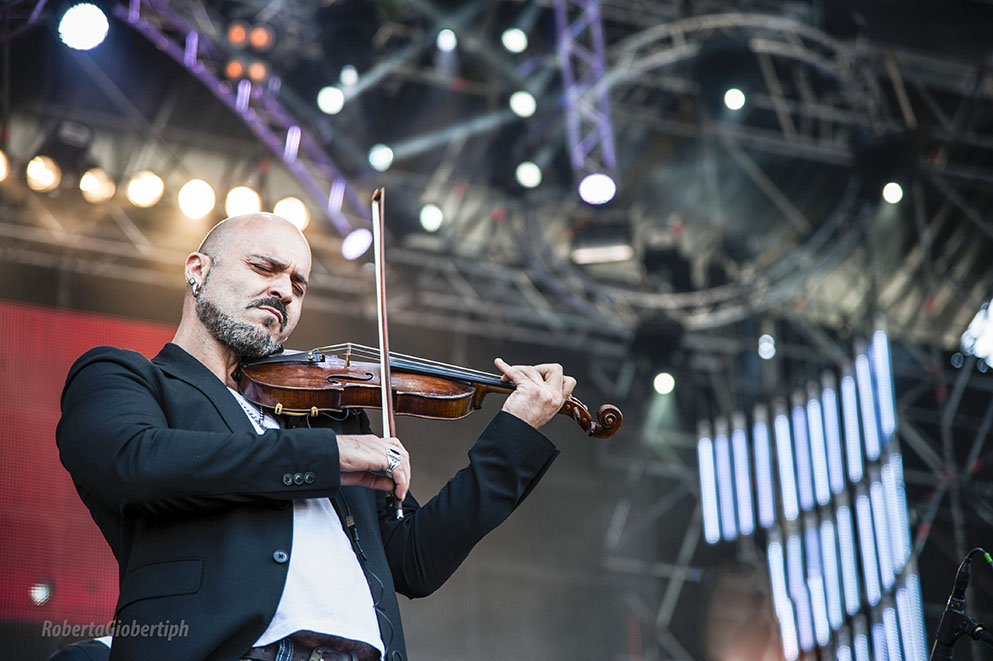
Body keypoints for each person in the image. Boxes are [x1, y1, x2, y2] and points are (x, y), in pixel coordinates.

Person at [56, 213, 575, 661]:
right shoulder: (126, 376)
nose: (284, 290)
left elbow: (416, 562)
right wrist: (327, 456)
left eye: (298, 285)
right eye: (264, 268)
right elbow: (133, 461)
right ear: (199, 271)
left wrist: (515, 432)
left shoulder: (325, 417)